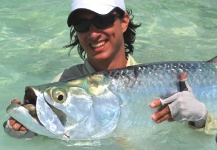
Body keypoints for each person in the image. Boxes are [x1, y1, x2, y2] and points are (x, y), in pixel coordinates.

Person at [3, 0, 217, 139]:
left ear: (124, 22)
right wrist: (27, 128)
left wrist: (201, 119)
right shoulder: (65, 80)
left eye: (102, 20)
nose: (93, 34)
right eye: (82, 25)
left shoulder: (162, 78)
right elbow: (57, 125)